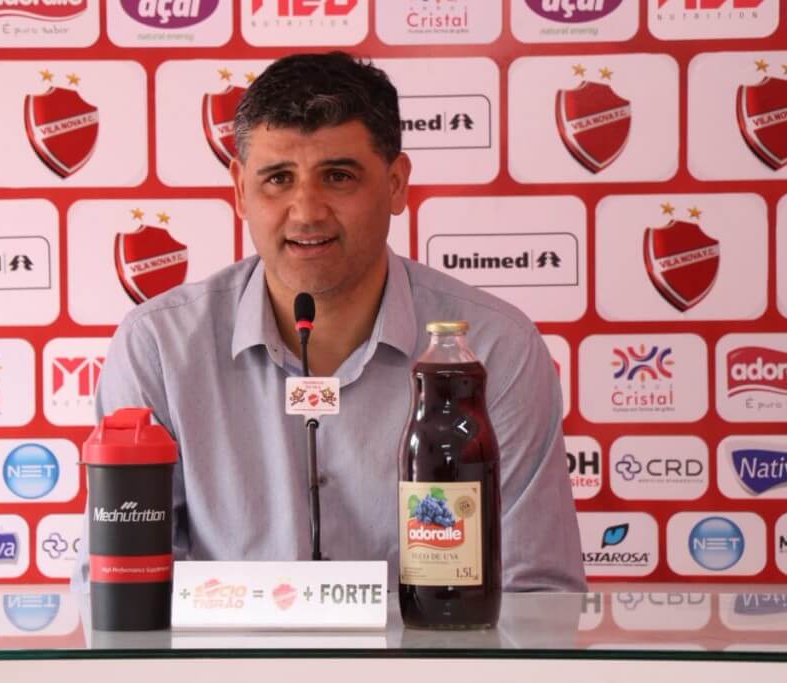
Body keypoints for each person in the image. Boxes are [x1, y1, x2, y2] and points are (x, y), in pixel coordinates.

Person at [74, 52, 585, 592]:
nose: (306, 211)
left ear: (396, 184)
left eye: (338, 177)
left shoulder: (495, 347)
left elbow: (537, 595)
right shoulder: (159, 346)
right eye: (278, 179)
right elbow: (122, 591)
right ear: (240, 189)